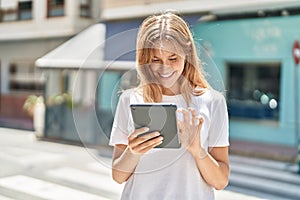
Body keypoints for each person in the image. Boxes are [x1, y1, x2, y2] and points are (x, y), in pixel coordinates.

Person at [109, 11, 230, 200]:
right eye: (155, 60)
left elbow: (221, 181)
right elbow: (118, 176)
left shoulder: (212, 101)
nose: (164, 68)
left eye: (173, 59)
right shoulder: (130, 100)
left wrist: (197, 150)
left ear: (187, 54)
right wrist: (132, 152)